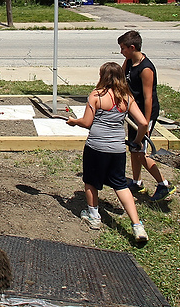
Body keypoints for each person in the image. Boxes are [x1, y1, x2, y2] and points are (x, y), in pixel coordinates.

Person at [66, 62, 149, 242]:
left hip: (96, 146)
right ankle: (137, 226)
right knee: (120, 184)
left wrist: (74, 121)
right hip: (118, 148)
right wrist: (136, 141)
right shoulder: (127, 97)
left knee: (91, 181)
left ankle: (94, 217)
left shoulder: (96, 95)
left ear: (103, 76)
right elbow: (143, 123)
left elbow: (87, 123)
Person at [118, 30, 174, 201]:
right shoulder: (128, 62)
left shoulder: (146, 68)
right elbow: (121, 80)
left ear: (132, 47)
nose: (122, 52)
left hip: (144, 114)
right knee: (133, 148)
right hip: (133, 112)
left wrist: (147, 123)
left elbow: (148, 98)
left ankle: (164, 184)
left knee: (141, 152)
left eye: (123, 48)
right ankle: (136, 182)